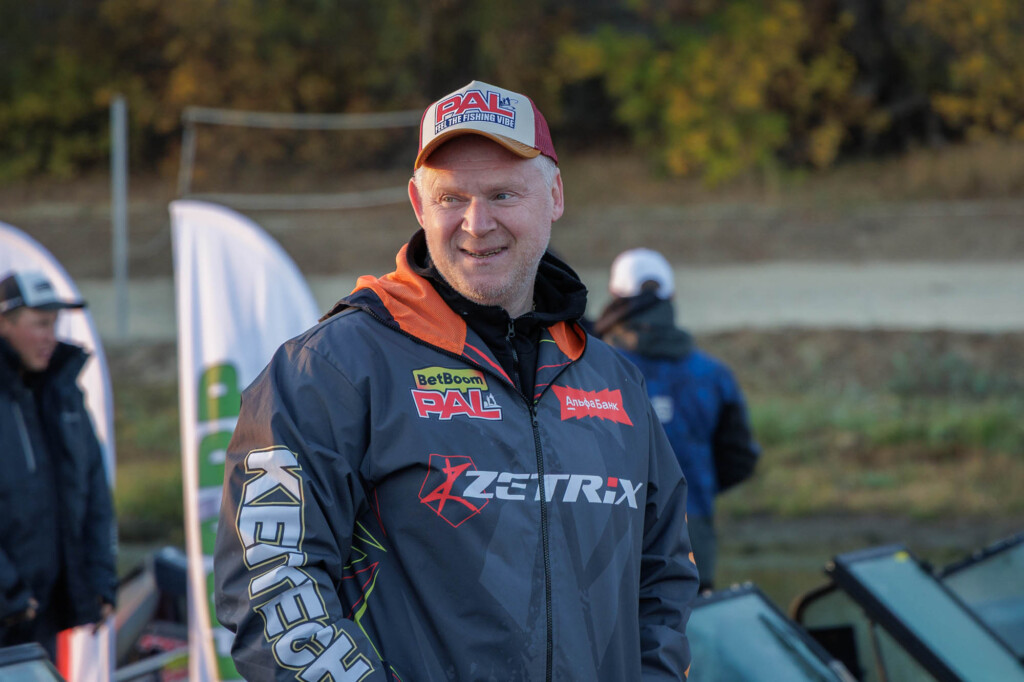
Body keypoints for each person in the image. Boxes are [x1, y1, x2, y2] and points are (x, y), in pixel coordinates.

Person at [215, 80, 699, 680]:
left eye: (502, 194)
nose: (477, 223)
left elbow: (665, 581)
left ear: (554, 196)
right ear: (419, 206)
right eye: (451, 198)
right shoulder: (331, 370)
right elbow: (272, 591)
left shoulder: (614, 381)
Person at [595, 248, 760, 592]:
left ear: (614, 295)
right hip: (692, 539)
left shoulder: (591, 369)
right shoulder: (713, 374)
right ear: (671, 296)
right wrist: (694, 486)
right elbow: (740, 458)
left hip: (606, 542)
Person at [0, 270, 117, 661]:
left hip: (40, 614)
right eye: (39, 324)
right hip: (11, 606)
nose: (50, 336)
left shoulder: (64, 393)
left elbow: (95, 491)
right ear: (4, 323)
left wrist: (99, 579)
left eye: (54, 324)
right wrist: (9, 592)